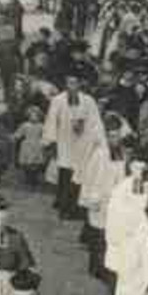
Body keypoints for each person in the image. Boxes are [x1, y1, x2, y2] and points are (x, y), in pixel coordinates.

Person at [42, 74, 104, 220]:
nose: (72, 86)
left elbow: (96, 122)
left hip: (83, 144)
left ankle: (76, 208)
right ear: (65, 84)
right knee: (66, 175)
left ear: (80, 84)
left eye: (75, 83)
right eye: (69, 83)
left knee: (80, 177)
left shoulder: (88, 101)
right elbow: (51, 120)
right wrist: (50, 140)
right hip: (65, 143)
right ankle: (64, 208)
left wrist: (97, 140)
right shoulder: (58, 101)